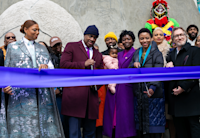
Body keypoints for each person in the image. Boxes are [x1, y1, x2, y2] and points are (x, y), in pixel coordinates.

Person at [1, 20, 64, 138]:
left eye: (38, 30)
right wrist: (5, 87)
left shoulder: (42, 48)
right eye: (34, 30)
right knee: (23, 131)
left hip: (42, 96)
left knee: (45, 131)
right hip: (20, 96)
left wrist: (46, 67)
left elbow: (51, 68)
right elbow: (7, 71)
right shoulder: (13, 47)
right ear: (25, 29)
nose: (37, 32)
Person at [60, 25, 103, 138]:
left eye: (95, 37)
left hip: (91, 98)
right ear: (84, 35)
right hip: (75, 97)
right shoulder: (72, 46)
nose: (92, 39)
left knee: (90, 132)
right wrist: (83, 64)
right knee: (74, 132)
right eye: (90, 36)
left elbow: (102, 74)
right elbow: (63, 65)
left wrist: (96, 86)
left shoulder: (98, 54)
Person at [129, 28, 165, 138]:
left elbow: (158, 72)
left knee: (154, 127)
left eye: (147, 38)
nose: (144, 40)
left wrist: (153, 88)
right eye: (142, 38)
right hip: (140, 94)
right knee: (142, 128)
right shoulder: (136, 53)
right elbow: (130, 68)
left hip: (153, 93)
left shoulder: (156, 53)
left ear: (151, 38)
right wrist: (133, 64)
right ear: (139, 39)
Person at [166, 27, 200, 138]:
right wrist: (167, 68)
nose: (179, 37)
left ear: (185, 36)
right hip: (175, 99)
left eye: (181, 34)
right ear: (173, 40)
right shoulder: (170, 55)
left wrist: (183, 88)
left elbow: (196, 73)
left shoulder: (195, 51)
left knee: (194, 130)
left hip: (190, 98)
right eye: (176, 36)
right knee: (180, 132)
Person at [103, 30, 136, 138]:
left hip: (127, 87)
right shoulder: (119, 53)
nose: (126, 41)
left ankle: (125, 133)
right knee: (113, 111)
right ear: (121, 42)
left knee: (125, 113)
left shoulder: (135, 52)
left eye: (128, 39)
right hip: (115, 85)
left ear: (133, 40)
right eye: (124, 39)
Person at [153, 27, 176, 138]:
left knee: (168, 115)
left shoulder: (169, 50)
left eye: (160, 35)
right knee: (157, 115)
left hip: (167, 86)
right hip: (154, 85)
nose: (158, 37)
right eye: (156, 35)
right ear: (152, 37)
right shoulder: (148, 50)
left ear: (164, 36)